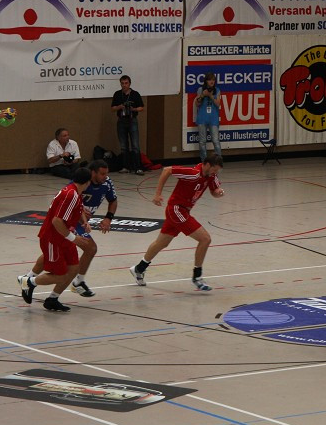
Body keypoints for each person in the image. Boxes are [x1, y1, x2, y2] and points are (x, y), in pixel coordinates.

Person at [129, 153, 225, 291]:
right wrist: (157, 194)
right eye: (215, 169)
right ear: (208, 165)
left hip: (183, 211)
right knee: (205, 239)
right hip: (176, 209)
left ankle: (139, 268)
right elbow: (167, 170)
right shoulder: (193, 173)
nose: (216, 173)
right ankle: (197, 276)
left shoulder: (210, 176)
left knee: (162, 243)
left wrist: (218, 192)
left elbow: (214, 191)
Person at [23, 160, 117, 298]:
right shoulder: (75, 189)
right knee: (90, 248)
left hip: (75, 222)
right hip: (68, 224)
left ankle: (33, 281)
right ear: (92, 174)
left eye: (106, 173)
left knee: (57, 256)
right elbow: (61, 214)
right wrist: (74, 234)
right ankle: (77, 282)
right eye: (102, 174)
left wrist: (107, 218)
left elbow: (113, 200)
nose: (105, 176)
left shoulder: (105, 184)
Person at [17, 167, 93, 312]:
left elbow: (79, 209)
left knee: (73, 268)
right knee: (60, 276)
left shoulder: (75, 192)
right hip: (54, 238)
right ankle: (28, 281)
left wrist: (84, 221)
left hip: (64, 236)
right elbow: (56, 221)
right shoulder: (71, 195)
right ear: (87, 182)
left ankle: (52, 299)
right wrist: (74, 238)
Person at [111, 75, 145, 175]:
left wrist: (133, 109)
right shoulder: (117, 94)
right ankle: (125, 166)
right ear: (120, 84)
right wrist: (119, 107)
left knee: (135, 145)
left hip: (132, 120)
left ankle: (138, 167)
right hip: (121, 120)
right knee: (123, 146)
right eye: (122, 83)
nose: (124, 85)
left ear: (129, 83)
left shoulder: (135, 94)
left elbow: (142, 107)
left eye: (126, 83)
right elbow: (112, 108)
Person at [195, 72, 222, 162]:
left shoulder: (217, 90)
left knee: (215, 141)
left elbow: (218, 104)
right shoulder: (200, 89)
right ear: (206, 81)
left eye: (213, 80)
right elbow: (197, 103)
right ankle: (204, 162)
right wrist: (203, 95)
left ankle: (218, 161)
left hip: (213, 118)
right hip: (202, 118)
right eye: (210, 79)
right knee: (202, 141)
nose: (212, 81)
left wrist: (210, 96)